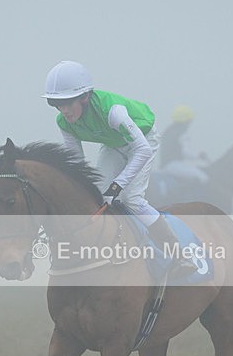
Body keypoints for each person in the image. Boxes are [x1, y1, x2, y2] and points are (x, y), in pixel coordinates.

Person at [42, 60, 196, 273]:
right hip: (113, 144)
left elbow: (142, 150)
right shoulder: (63, 122)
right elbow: (77, 163)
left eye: (68, 103)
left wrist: (117, 185)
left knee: (131, 198)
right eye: (57, 104)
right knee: (97, 196)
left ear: (85, 97)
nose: (63, 110)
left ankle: (180, 257)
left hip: (143, 141)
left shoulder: (113, 111)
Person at [160, 104, 209, 187]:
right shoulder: (182, 133)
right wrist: (199, 155)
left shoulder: (168, 131)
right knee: (203, 177)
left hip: (164, 165)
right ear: (186, 120)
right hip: (174, 165)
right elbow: (185, 153)